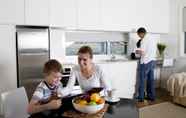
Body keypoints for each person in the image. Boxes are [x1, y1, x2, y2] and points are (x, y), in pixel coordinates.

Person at [136, 27, 157, 102]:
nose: (139, 37)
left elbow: (142, 52)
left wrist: (136, 51)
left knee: (142, 80)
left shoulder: (144, 40)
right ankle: (151, 96)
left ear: (141, 33)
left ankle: (141, 97)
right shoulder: (152, 38)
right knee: (150, 80)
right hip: (152, 61)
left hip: (145, 62)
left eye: (139, 35)